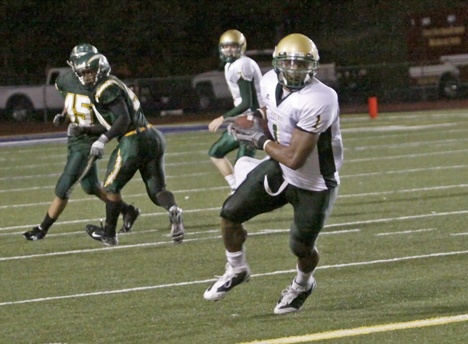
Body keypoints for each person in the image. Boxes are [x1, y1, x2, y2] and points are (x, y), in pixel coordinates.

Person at [203, 33, 343, 315]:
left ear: (313, 67)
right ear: (277, 64)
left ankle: (303, 284)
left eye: (301, 65)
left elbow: (295, 158)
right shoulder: (268, 82)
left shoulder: (321, 98)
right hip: (279, 168)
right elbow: (267, 116)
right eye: (289, 64)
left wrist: (258, 140)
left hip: (313, 182)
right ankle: (237, 268)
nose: (294, 70)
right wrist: (248, 122)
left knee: (301, 246)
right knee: (229, 214)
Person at [23, 44, 140, 241]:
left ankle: (42, 229)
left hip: (89, 140)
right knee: (91, 186)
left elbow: (113, 120)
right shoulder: (65, 79)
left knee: (64, 185)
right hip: (75, 137)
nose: (87, 72)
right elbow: (71, 101)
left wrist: (92, 132)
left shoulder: (100, 83)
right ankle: (127, 210)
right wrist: (63, 116)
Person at [68, 51, 185, 246]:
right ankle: (173, 209)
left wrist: (103, 139)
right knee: (157, 189)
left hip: (133, 140)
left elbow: (123, 119)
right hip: (151, 136)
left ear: (101, 69)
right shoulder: (111, 83)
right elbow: (113, 121)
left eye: (90, 72)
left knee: (110, 187)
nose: (86, 76)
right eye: (83, 72)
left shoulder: (105, 87)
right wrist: (85, 129)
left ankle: (109, 233)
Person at [207, 29, 264, 193]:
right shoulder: (230, 65)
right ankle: (235, 188)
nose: (229, 50)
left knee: (242, 165)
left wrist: (222, 118)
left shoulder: (242, 65)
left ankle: (243, 193)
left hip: (254, 119)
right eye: (225, 47)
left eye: (233, 46)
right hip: (244, 119)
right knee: (216, 152)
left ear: (241, 47)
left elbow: (247, 102)